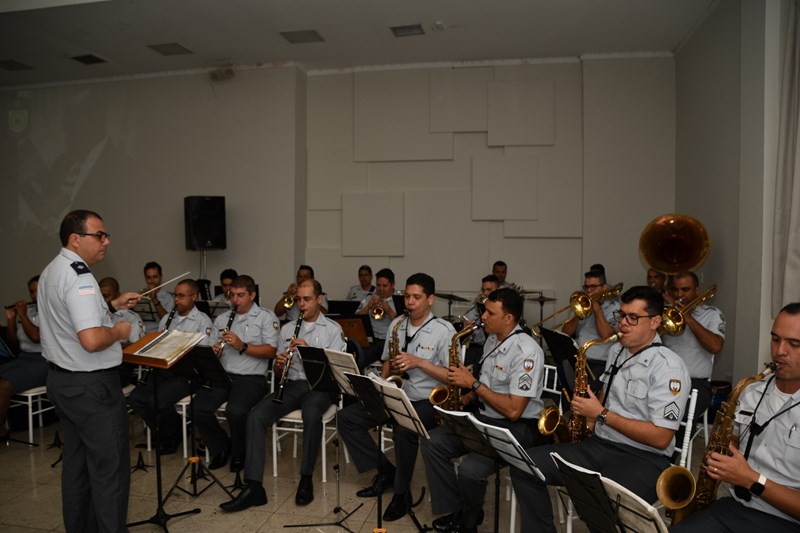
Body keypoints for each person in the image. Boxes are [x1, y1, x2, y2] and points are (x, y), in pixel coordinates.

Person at [510, 285, 691, 533]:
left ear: (655, 322)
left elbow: (661, 438)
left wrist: (601, 414)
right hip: (599, 445)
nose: (622, 324)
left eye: (633, 318)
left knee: (599, 505)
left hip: (644, 459)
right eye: (621, 315)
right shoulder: (618, 350)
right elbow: (607, 394)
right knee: (524, 464)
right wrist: (589, 415)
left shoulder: (669, 367)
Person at [37, 209, 141, 532]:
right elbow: (92, 339)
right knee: (109, 471)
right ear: (75, 238)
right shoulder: (80, 276)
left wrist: (111, 306)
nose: (106, 242)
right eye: (99, 235)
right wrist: (120, 331)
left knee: (77, 467)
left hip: (62, 382)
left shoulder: (53, 270)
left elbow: (69, 320)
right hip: (91, 387)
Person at [422, 288, 546, 533]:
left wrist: (473, 385)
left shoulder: (527, 352)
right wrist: (468, 396)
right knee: (432, 441)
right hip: (486, 417)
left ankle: (469, 522)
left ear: (509, 318)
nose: (483, 317)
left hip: (517, 428)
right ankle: (460, 509)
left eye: (490, 313)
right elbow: (490, 383)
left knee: (470, 469)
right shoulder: (493, 337)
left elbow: (513, 410)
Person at [669, 302, 800, 532]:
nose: (780, 351)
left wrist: (751, 479)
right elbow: (733, 444)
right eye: (775, 339)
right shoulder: (750, 391)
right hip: (735, 506)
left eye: (794, 344)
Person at [219, 279, 347, 511]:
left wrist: (307, 352)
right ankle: (254, 486)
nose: (301, 304)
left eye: (307, 299)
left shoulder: (333, 330)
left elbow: (336, 372)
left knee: (311, 414)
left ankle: (306, 478)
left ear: (319, 299)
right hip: (292, 385)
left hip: (320, 387)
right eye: (299, 299)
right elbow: (279, 371)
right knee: (256, 415)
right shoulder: (287, 329)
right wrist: (280, 364)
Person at [339, 273, 456, 522]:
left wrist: (419, 362)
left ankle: (401, 494)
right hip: (395, 393)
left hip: (428, 401)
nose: (410, 302)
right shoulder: (397, 324)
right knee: (346, 418)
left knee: (404, 430)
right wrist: (380, 383)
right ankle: (387, 471)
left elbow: (452, 377)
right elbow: (386, 361)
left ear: (430, 299)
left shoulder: (444, 331)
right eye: (407, 296)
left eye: (416, 297)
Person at [193, 275, 279, 472]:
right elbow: (213, 345)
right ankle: (221, 446)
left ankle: (240, 453)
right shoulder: (222, 319)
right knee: (198, 407)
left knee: (236, 411)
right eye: (232, 295)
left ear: (252, 295)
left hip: (251, 378)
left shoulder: (266, 317)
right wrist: (216, 351)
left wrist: (242, 346)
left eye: (241, 296)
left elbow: (271, 351)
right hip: (223, 376)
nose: (235, 300)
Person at [127, 278, 213, 454]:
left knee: (157, 401)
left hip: (187, 374)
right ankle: (166, 433)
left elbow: (204, 354)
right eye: (175, 295)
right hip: (165, 370)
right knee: (136, 398)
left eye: (182, 296)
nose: (176, 300)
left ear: (194, 297)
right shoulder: (167, 318)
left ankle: (171, 437)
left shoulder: (202, 321)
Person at [662, 271, 725, 435]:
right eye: (675, 290)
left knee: (677, 417)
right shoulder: (665, 313)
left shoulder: (712, 314)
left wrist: (688, 318)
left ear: (697, 290)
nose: (679, 295)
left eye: (685, 289)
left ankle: (672, 458)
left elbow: (716, 346)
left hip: (695, 383)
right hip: (664, 378)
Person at [1, 276, 46, 440]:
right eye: (31, 291)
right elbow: (14, 342)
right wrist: (12, 319)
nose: (34, 295)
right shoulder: (30, 310)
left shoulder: (53, 310)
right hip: (24, 358)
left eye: (37, 290)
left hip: (44, 361)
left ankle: (1, 431)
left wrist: (23, 316)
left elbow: (36, 337)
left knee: (3, 386)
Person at [561, 267, 620, 379]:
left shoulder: (614, 308)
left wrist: (597, 308)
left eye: (593, 286)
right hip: (579, 359)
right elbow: (565, 332)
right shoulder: (582, 304)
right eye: (586, 286)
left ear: (604, 287)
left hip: (600, 363)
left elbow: (606, 335)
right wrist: (577, 316)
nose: (589, 291)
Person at [99, 276, 145, 387]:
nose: (104, 300)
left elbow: (136, 349)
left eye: (107, 296)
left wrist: (112, 342)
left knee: (101, 384)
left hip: (121, 365)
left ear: (118, 295)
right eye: (100, 296)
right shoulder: (96, 315)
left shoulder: (131, 318)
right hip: (98, 362)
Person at [355, 267, 397, 369]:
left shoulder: (399, 301)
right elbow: (356, 318)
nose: (381, 289)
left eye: (385, 286)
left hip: (388, 341)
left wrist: (388, 309)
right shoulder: (369, 297)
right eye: (378, 285)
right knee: (357, 361)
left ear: (393, 285)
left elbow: (402, 323)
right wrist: (369, 306)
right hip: (371, 341)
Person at [462, 274, 500, 367]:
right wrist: (467, 325)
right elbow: (468, 318)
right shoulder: (479, 304)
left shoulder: (500, 308)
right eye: (483, 290)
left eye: (489, 290)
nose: (485, 293)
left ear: (498, 290)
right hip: (477, 347)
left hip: (494, 347)